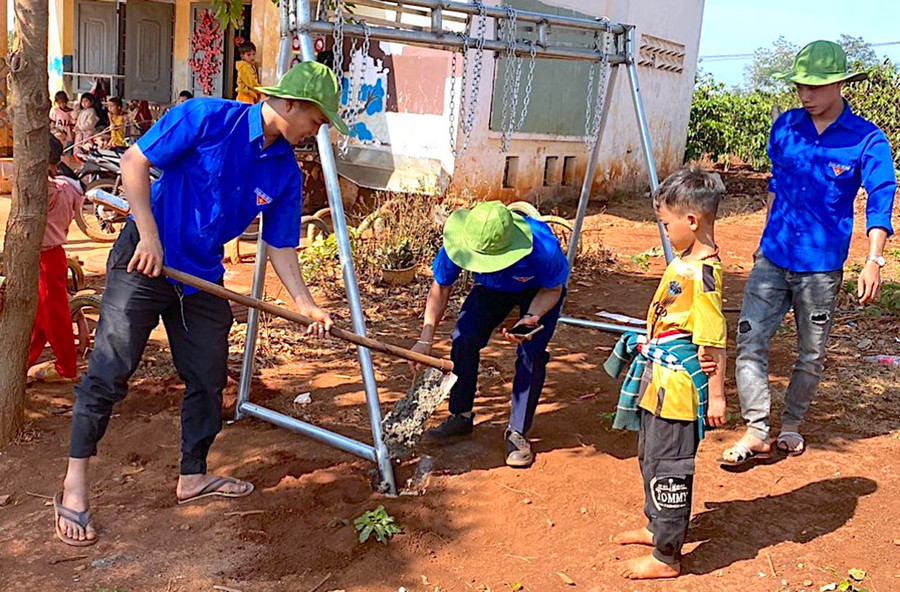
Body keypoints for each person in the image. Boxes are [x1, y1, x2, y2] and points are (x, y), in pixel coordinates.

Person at [52, 61, 350, 547]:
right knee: (109, 371)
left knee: (209, 378)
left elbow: (280, 246)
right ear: (292, 104)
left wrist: (306, 303)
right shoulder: (207, 117)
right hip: (147, 262)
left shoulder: (285, 173)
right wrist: (148, 236)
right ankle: (75, 484)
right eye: (318, 120)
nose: (319, 131)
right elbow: (133, 161)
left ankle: (193, 475)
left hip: (199, 279)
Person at [720, 40, 897, 467]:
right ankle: (757, 429)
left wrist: (873, 260)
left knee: (811, 352)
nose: (805, 95)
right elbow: (776, 185)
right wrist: (765, 236)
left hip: (821, 268)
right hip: (773, 258)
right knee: (749, 342)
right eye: (800, 85)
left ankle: (791, 425)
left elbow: (880, 198)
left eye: (815, 87)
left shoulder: (867, 139)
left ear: (838, 84)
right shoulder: (784, 127)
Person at [606, 168, 727, 580]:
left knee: (671, 469)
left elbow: (714, 340)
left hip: (678, 393)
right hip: (657, 384)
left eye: (666, 223)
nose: (665, 231)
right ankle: (655, 524)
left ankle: (666, 556)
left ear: (691, 221)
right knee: (650, 458)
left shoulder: (705, 274)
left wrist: (717, 393)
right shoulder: (683, 262)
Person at [411, 201, 569, 468]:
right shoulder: (458, 242)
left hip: (538, 292)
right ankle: (460, 415)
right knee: (464, 336)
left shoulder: (544, 249)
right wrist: (425, 339)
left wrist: (531, 318)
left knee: (531, 351)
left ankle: (517, 432)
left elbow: (553, 289)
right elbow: (440, 288)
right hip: (492, 288)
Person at [27, 135, 84, 383]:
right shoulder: (69, 186)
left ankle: (66, 367)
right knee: (39, 315)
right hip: (53, 254)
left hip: (45, 257)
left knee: (52, 314)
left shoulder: (43, 189)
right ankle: (22, 361)